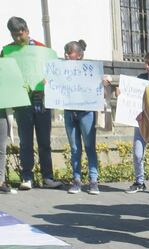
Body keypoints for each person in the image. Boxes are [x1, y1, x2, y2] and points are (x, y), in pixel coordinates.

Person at [2, 17, 60, 191]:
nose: (18, 39)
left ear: (26, 30)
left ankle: (47, 177)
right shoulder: (7, 51)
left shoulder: (42, 50)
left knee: (44, 141)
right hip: (21, 102)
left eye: (20, 34)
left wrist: (46, 84)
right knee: (25, 141)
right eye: (14, 35)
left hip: (41, 101)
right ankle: (27, 177)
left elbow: (54, 73)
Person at [60, 40, 101, 195]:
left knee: (90, 146)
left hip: (86, 113)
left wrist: (104, 83)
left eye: (69, 52)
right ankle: (76, 180)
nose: (65, 55)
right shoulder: (61, 71)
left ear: (79, 55)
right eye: (65, 51)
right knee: (75, 148)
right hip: (69, 112)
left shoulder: (90, 70)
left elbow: (99, 90)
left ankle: (93, 181)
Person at [126, 51, 149, 194]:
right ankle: (139, 182)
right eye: (145, 63)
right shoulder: (141, 79)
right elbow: (131, 95)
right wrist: (120, 92)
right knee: (137, 153)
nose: (146, 66)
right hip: (141, 122)